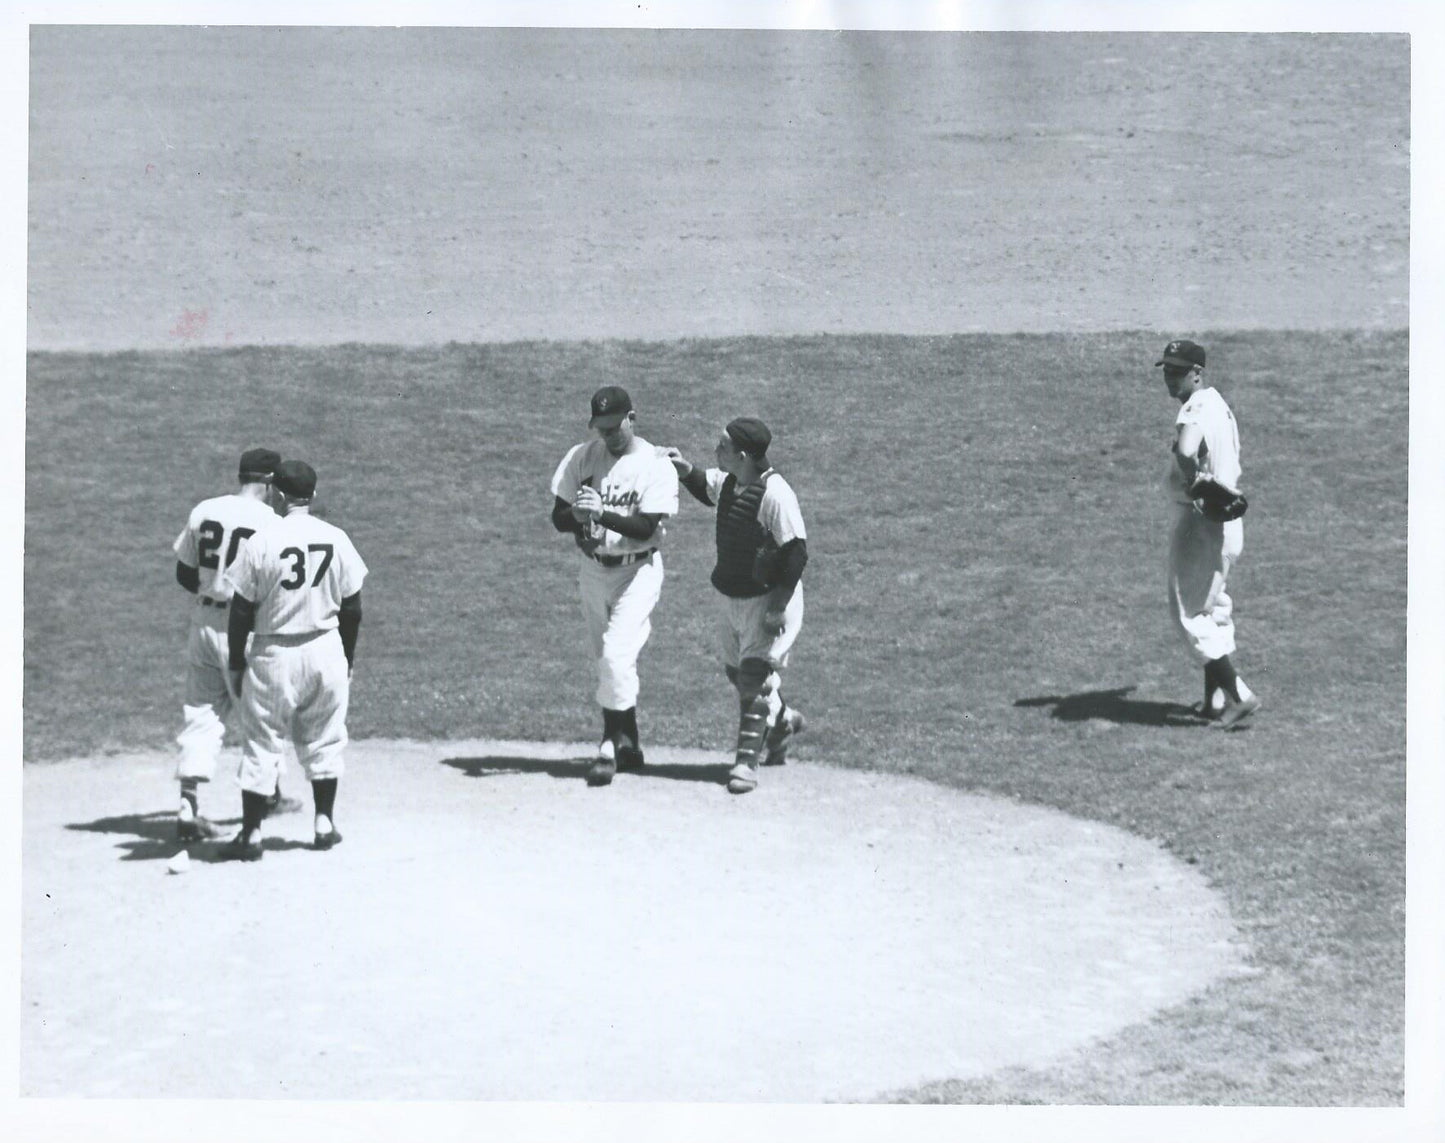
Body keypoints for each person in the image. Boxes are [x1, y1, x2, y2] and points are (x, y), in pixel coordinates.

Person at [219, 460, 368, 860]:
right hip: (325, 647)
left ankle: (251, 835)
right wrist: (347, 658)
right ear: (313, 496)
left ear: (278, 495)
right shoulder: (336, 538)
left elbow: (240, 610)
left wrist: (236, 661)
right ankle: (324, 823)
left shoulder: (262, 540)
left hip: (274, 653)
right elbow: (352, 608)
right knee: (325, 738)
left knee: (263, 741)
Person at [664, 418, 809, 794]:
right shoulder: (731, 481)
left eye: (722, 448)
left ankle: (746, 763)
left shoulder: (776, 494)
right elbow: (705, 485)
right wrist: (685, 471)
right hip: (730, 597)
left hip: (766, 601)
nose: (716, 452)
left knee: (752, 678)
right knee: (737, 672)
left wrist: (778, 606)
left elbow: (796, 553)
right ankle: (780, 724)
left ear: (742, 455)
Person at [550, 386, 680, 787]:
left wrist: (601, 514)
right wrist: (577, 518)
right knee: (607, 659)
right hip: (593, 571)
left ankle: (608, 743)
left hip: (637, 571)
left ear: (632, 417)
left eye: (615, 426)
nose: (610, 436)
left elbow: (645, 527)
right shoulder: (582, 456)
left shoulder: (655, 464)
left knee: (616, 655)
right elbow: (558, 517)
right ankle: (631, 744)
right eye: (602, 429)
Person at [171, 447, 301, 842]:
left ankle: (187, 806)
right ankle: (268, 795)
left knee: (201, 712)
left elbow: (183, 573)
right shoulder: (272, 522)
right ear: (267, 482)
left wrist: (214, 590)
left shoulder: (205, 509)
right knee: (261, 715)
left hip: (203, 623)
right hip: (243, 628)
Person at [1156, 338, 1261, 728]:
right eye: (1166, 369)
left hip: (1201, 525)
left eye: (1178, 371)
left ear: (1196, 374)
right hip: (1229, 524)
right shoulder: (1220, 405)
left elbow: (1186, 450)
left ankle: (1239, 694)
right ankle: (1214, 701)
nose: (1170, 377)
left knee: (1188, 613)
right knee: (1212, 608)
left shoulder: (1195, 407)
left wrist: (1195, 480)